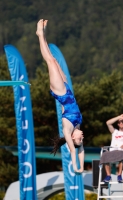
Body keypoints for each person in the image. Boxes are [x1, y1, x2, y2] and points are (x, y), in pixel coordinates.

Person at [36, 19, 84, 173]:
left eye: (80, 139)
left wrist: (75, 166)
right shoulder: (77, 126)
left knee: (50, 61)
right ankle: (43, 35)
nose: (82, 137)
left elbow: (73, 150)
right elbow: (81, 150)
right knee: (55, 60)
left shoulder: (68, 130)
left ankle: (39, 35)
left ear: (73, 139)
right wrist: (82, 166)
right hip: (67, 90)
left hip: (61, 93)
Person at [100, 114, 123, 183]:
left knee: (120, 154)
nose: (121, 123)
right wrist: (119, 117)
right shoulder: (115, 132)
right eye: (119, 122)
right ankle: (108, 175)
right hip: (113, 150)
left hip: (122, 152)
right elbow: (108, 123)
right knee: (105, 154)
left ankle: (119, 175)